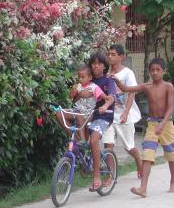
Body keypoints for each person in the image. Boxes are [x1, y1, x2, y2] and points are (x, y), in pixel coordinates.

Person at [117, 58, 174, 197]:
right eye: (152, 70)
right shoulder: (147, 86)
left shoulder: (168, 87)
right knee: (147, 155)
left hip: (166, 124)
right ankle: (143, 188)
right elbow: (126, 89)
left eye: (158, 70)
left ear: (164, 71)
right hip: (152, 124)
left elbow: (170, 108)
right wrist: (116, 81)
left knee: (171, 154)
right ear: (149, 72)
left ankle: (173, 180)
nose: (155, 72)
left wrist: (162, 124)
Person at [103, 44, 143, 178]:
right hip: (109, 115)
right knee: (108, 146)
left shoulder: (127, 73)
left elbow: (131, 93)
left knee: (129, 147)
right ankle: (110, 176)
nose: (110, 57)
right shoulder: (107, 74)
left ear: (121, 57)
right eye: (109, 54)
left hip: (124, 116)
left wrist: (126, 113)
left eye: (113, 54)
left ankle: (139, 163)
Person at [85, 51, 116, 192]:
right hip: (89, 116)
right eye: (93, 63)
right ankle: (86, 162)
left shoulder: (108, 80)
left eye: (99, 63)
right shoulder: (88, 81)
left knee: (93, 141)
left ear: (104, 66)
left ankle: (97, 175)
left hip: (104, 117)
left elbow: (112, 97)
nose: (96, 66)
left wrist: (104, 106)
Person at [55, 65, 108, 141]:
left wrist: (108, 101)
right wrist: (73, 92)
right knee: (59, 113)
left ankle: (82, 142)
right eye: (79, 77)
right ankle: (77, 140)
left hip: (88, 115)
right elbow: (71, 98)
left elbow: (104, 97)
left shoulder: (94, 87)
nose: (80, 79)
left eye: (83, 77)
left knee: (79, 117)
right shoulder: (78, 86)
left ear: (90, 77)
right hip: (77, 112)